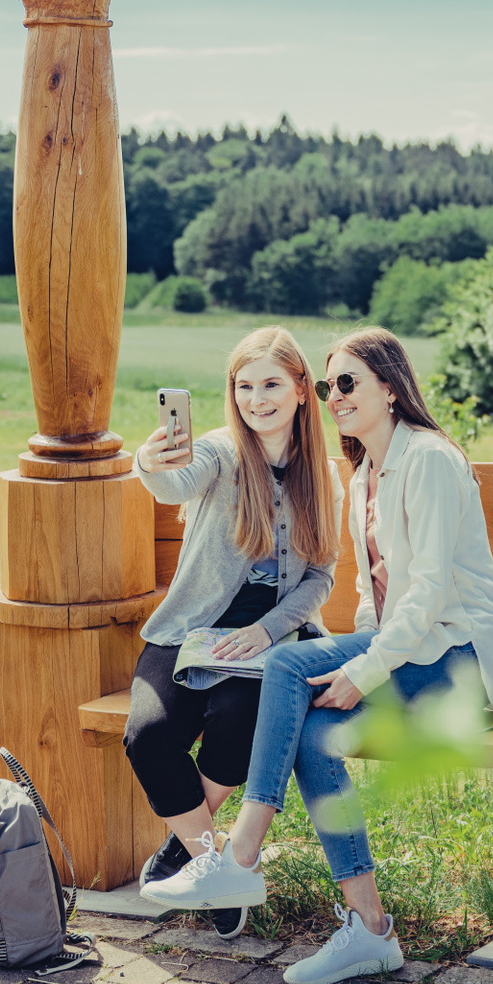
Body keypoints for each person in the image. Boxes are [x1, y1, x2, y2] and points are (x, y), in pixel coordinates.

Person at [144, 327, 493, 984]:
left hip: (457, 663)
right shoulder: (366, 474)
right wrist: (359, 657)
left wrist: (363, 669)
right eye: (329, 383)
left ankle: (241, 857)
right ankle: (371, 929)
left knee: (288, 664)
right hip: (410, 655)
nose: (334, 395)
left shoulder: (428, 459)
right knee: (313, 737)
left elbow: (426, 594)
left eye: (347, 382)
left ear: (390, 389)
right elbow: (375, 601)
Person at [124, 325, 340, 938]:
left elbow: (319, 576)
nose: (256, 399)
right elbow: (176, 480)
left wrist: (268, 630)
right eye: (244, 386)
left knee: (238, 719)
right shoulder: (219, 453)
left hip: (270, 642)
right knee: (147, 735)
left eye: (270, 384)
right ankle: (210, 860)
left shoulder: (323, 476)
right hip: (188, 631)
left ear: (301, 390)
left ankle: (186, 850)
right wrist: (150, 461)